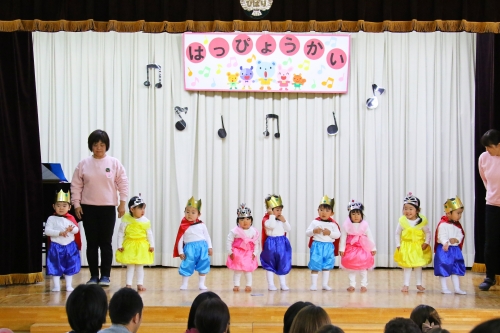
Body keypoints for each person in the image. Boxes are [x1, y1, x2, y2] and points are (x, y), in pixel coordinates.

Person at [71, 129, 129, 286]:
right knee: (91, 243)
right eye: (95, 144)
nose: (99, 147)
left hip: (108, 208)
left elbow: (123, 183)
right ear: (91, 146)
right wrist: (76, 204)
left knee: (105, 242)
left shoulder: (114, 163)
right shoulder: (83, 164)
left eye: (102, 144)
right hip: (88, 208)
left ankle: (105, 276)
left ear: (106, 146)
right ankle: (93, 276)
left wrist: (122, 203)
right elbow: (75, 186)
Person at [44, 183, 81, 292]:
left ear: (69, 207)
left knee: (70, 265)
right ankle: (56, 286)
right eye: (58, 205)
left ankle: (69, 285)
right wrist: (60, 233)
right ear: (54, 206)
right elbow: (47, 231)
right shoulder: (51, 218)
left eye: (64, 205)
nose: (61, 208)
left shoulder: (71, 218)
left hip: (69, 246)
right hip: (56, 247)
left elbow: (76, 230)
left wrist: (71, 230)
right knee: (56, 266)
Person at [393, 192, 432, 292]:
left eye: (411, 209)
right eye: (405, 209)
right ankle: (406, 284)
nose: (408, 211)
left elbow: (428, 232)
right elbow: (397, 233)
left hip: (418, 247)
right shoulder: (402, 221)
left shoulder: (422, 221)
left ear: (417, 210)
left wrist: (426, 242)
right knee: (407, 266)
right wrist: (398, 245)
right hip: (406, 246)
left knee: (418, 265)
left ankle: (419, 284)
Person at [116, 195, 154, 291]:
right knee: (130, 266)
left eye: (144, 208)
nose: (143, 211)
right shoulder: (126, 220)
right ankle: (128, 284)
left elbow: (149, 234)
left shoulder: (145, 221)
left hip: (141, 246)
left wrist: (152, 245)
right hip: (130, 246)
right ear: (132, 209)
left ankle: (139, 284)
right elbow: (121, 233)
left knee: (140, 266)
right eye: (140, 208)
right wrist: (119, 245)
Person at [173, 197, 213, 290]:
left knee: (203, 263)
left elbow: (207, 236)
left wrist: (210, 247)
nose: (189, 214)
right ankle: (184, 284)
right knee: (187, 264)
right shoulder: (183, 226)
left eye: (193, 212)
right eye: (187, 212)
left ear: (199, 214)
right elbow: (180, 239)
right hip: (189, 248)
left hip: (202, 247)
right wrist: (180, 252)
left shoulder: (202, 225)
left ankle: (201, 284)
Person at [478, 129, 500, 291]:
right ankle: (490, 276)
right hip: (492, 205)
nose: (487, 150)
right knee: (491, 243)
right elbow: (485, 180)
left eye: (490, 147)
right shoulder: (484, 158)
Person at [339, 199, 376, 292]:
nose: (356, 216)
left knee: (363, 268)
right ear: (350, 215)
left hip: (363, 249)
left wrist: (373, 248)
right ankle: (352, 284)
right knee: (351, 268)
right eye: (353, 214)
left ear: (361, 215)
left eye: (358, 214)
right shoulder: (346, 226)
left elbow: (370, 237)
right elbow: (343, 238)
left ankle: (364, 284)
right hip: (351, 249)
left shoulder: (365, 226)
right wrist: (342, 249)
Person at [305, 195, 340, 291]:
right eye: (321, 210)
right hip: (317, 246)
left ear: (332, 213)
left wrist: (330, 233)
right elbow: (307, 233)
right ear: (318, 210)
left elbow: (338, 235)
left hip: (328, 247)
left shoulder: (333, 224)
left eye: (327, 211)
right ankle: (313, 284)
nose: (324, 212)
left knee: (327, 265)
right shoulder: (314, 222)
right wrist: (314, 231)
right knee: (315, 265)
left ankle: (325, 284)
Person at [434, 197, 466, 294]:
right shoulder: (443, 224)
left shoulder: (457, 225)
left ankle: (457, 288)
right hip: (445, 250)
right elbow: (441, 236)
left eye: (460, 213)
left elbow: (461, 234)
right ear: (448, 213)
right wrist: (446, 242)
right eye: (458, 213)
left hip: (455, 250)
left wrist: (457, 239)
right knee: (443, 267)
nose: (460, 215)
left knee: (455, 268)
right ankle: (444, 288)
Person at [260, 194, 292, 291]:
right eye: (277, 210)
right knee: (270, 264)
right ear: (270, 209)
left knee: (282, 262)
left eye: (280, 210)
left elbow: (288, 229)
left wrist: (285, 221)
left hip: (282, 242)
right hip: (271, 244)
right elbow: (272, 226)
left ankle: (282, 284)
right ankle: (271, 284)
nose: (279, 212)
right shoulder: (267, 220)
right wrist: (271, 216)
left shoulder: (281, 220)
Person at [226, 203, 260, 292]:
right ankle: (236, 284)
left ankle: (248, 285)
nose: (245, 221)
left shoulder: (253, 231)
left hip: (248, 253)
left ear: (251, 221)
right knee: (237, 270)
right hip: (237, 253)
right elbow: (229, 241)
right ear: (238, 221)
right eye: (242, 219)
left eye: (248, 219)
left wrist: (255, 253)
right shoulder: (234, 231)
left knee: (248, 270)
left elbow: (256, 243)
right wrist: (230, 252)